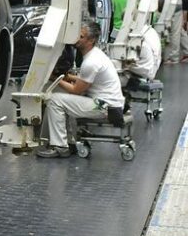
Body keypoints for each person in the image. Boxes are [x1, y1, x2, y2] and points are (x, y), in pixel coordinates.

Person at [37, 22, 125, 159]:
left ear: (91, 40)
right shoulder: (95, 55)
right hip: (109, 103)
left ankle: (60, 147)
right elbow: (86, 81)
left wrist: (53, 78)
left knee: (54, 99)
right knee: (63, 99)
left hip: (104, 106)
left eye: (81, 36)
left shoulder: (91, 62)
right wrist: (67, 77)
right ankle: (69, 142)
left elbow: (76, 90)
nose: (76, 38)